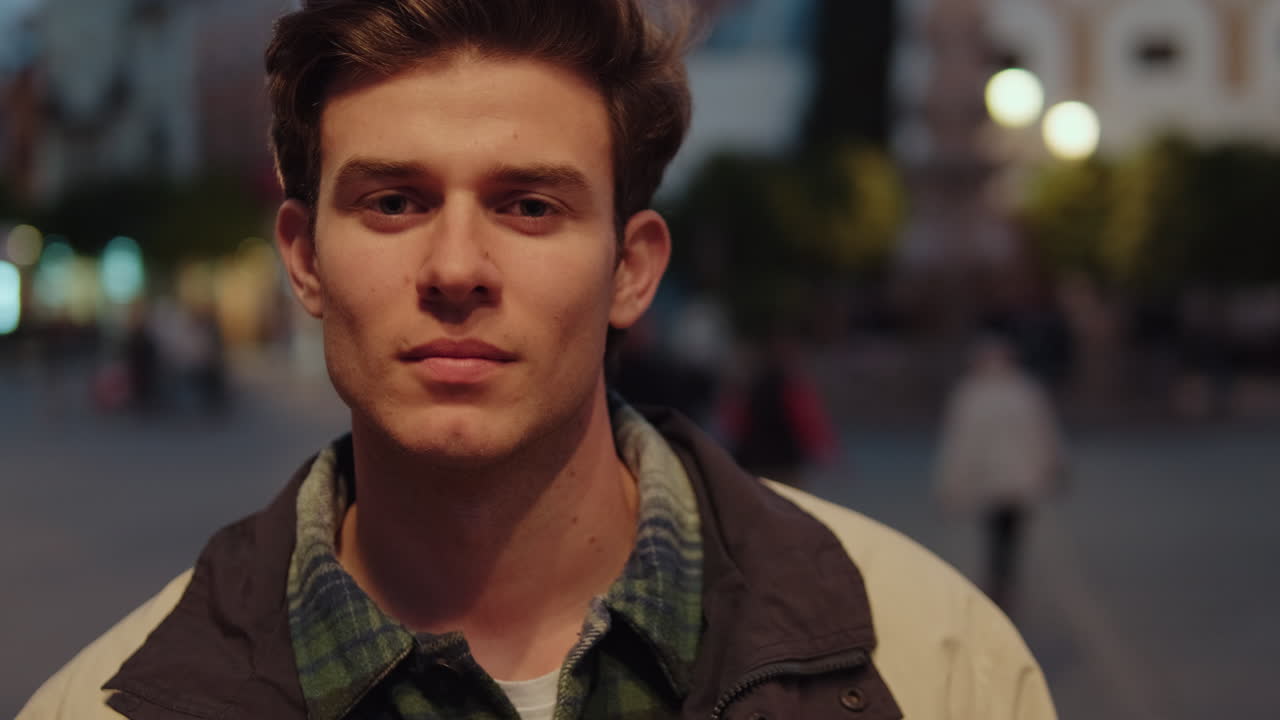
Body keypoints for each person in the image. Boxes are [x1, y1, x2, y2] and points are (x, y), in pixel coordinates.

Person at [21, 2, 1056, 718]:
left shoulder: (936, 667)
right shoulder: (105, 707)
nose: (457, 268)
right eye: (393, 202)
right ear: (304, 258)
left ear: (630, 269)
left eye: (528, 205)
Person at [934, 334, 1069, 610]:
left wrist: (950, 483)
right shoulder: (1026, 391)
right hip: (1020, 478)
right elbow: (1044, 433)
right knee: (1011, 531)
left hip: (989, 479)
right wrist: (1053, 464)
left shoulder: (970, 394)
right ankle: (1005, 580)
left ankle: (999, 580)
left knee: (995, 530)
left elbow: (959, 443)